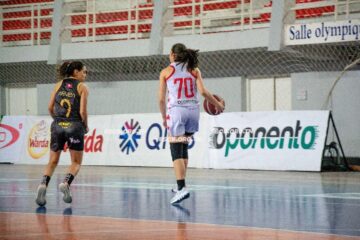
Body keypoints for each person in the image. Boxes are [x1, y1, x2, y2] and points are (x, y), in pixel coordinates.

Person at [158, 43, 225, 204]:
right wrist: (217, 104)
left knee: (176, 150)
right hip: (193, 112)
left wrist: (163, 117)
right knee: (183, 147)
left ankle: (181, 188)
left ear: (173, 55)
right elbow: (202, 92)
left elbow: (161, 99)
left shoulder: (166, 72)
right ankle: (181, 184)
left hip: (177, 112)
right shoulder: (194, 70)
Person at [35, 61, 89, 206]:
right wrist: (85, 126)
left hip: (58, 125)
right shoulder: (82, 87)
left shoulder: (58, 85)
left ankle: (43, 185)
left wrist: (57, 120)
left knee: (52, 161)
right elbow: (83, 111)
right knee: (76, 162)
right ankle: (66, 183)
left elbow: (49, 107)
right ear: (76, 72)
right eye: (84, 71)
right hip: (74, 125)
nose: (85, 74)